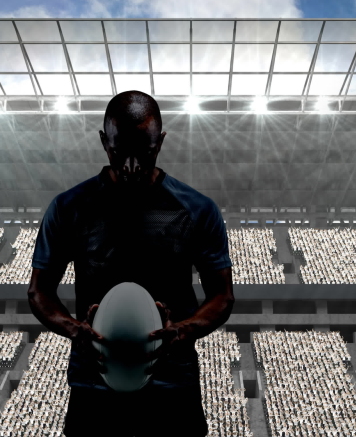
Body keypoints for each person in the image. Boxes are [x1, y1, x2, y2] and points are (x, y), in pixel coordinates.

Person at [27, 90, 235, 437]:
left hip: (172, 386)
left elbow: (223, 296)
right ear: (103, 140)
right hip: (94, 386)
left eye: (145, 152)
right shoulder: (70, 208)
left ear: (161, 142)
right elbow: (39, 291)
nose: (131, 165)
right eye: (119, 151)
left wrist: (183, 330)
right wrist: (73, 329)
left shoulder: (197, 209)